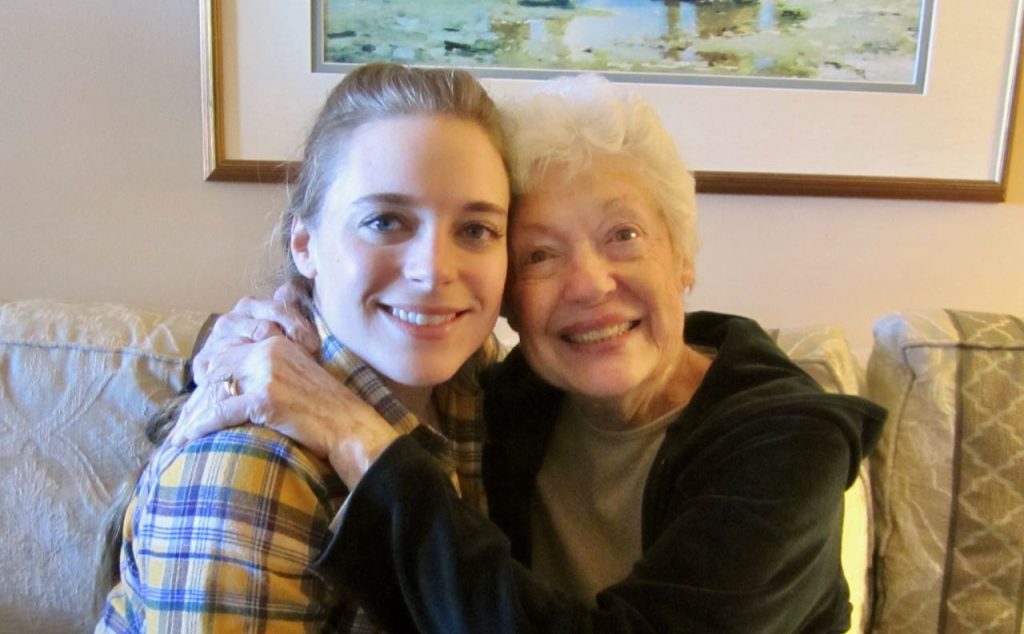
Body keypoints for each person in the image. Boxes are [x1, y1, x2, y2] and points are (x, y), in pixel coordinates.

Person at [175, 74, 886, 632]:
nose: (590, 285)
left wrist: (364, 442)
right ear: (509, 296)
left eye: (624, 235)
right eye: (540, 253)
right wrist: (253, 338)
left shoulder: (788, 442)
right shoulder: (492, 400)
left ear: (684, 256)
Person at [94, 62, 512, 632]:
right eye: (386, 220)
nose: (434, 270)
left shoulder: (474, 390)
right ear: (305, 243)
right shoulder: (251, 471)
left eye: (476, 230)